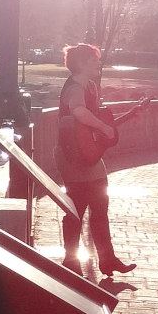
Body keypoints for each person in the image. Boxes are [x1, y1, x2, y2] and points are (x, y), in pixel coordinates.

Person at [55, 43, 135, 278]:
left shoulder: (90, 86)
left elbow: (87, 120)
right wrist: (102, 126)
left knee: (100, 206)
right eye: (93, 60)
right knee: (77, 208)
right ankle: (70, 261)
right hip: (73, 157)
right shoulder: (75, 88)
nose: (98, 64)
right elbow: (78, 112)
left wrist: (105, 127)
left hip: (88, 155)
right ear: (81, 64)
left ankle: (108, 260)